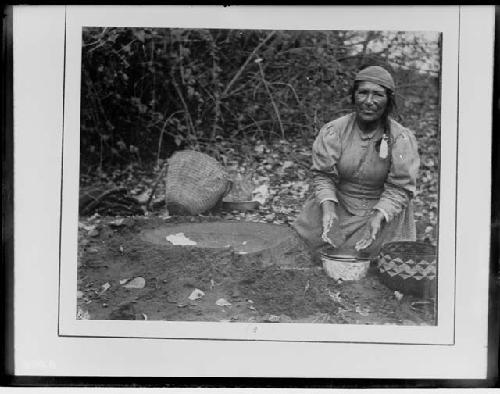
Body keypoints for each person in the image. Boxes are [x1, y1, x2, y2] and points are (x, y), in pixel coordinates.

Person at [292, 65, 420, 257]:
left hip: (381, 209)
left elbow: (400, 188)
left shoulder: (400, 138)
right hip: (339, 204)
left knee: (377, 254)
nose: (369, 101)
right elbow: (323, 175)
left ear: (389, 101)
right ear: (353, 96)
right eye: (363, 93)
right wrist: (328, 209)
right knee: (305, 244)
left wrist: (378, 216)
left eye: (377, 95)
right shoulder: (334, 130)